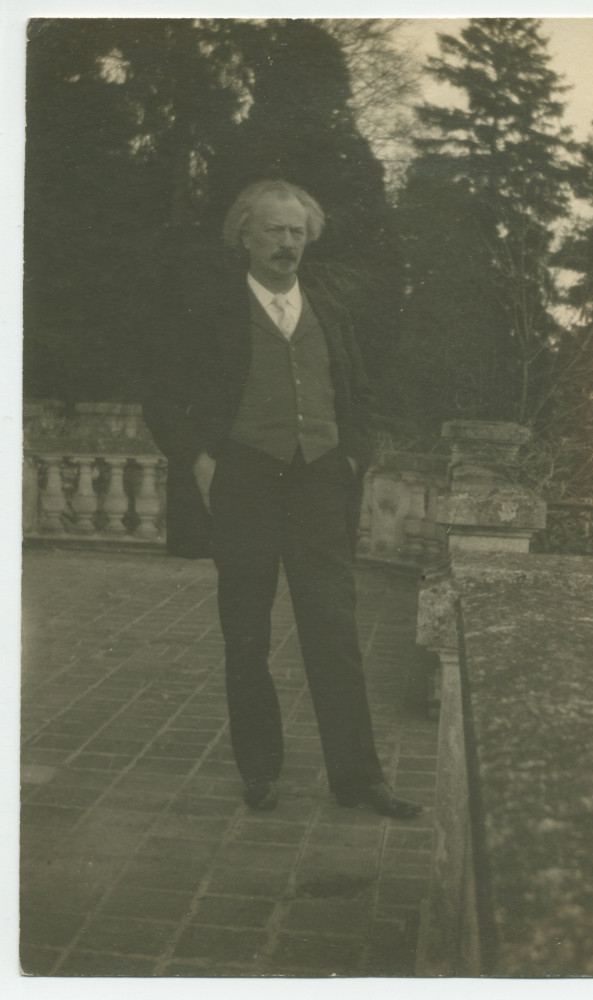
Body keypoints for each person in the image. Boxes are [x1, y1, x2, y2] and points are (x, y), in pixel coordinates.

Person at [143, 179, 421, 819]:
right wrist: (201, 462)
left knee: (336, 632)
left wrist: (354, 455)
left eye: (297, 232)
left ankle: (358, 779)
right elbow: (161, 398)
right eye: (274, 230)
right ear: (244, 234)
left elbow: (361, 394)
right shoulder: (209, 307)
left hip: (321, 484)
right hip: (244, 483)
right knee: (246, 634)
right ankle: (260, 769)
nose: (287, 244)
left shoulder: (328, 304)